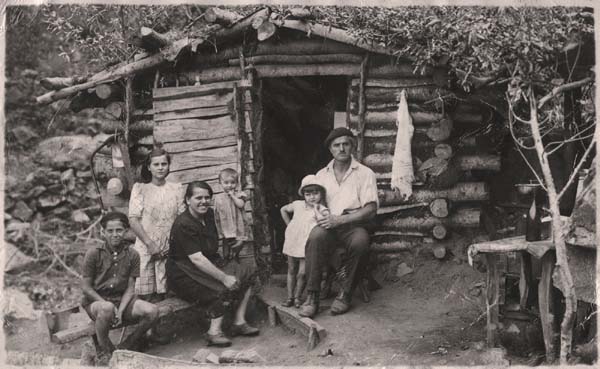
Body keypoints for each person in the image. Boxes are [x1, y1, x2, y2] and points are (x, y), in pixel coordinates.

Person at [167, 181, 259, 347]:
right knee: (221, 287)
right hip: (183, 272)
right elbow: (196, 259)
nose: (203, 201)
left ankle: (239, 321)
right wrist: (224, 278)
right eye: (198, 198)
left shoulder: (209, 214)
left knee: (248, 272)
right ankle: (213, 332)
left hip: (207, 262)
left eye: (207, 197)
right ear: (188, 200)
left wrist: (236, 243)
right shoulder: (183, 224)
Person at [299, 127, 379, 318]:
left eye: (346, 144)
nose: (341, 148)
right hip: (327, 224)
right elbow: (312, 204)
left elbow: (370, 209)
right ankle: (312, 296)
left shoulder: (365, 173)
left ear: (352, 146)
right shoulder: (321, 175)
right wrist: (322, 218)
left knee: (360, 242)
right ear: (331, 149)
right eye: (337, 145)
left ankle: (345, 293)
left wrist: (341, 220)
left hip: (352, 224)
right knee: (316, 237)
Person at [81, 212, 159, 365]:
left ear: (125, 231)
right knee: (106, 308)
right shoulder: (93, 254)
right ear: (103, 232)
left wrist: (121, 310)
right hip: (96, 303)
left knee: (152, 311)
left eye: (119, 230)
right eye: (110, 231)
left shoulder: (133, 254)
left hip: (122, 301)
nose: (115, 235)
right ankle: (106, 350)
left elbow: (130, 288)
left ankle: (128, 345)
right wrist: (106, 304)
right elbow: (86, 288)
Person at [129, 147, 184, 302]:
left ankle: (165, 325)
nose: (160, 168)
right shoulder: (140, 189)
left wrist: (172, 244)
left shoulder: (176, 188)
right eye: (156, 164)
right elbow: (133, 219)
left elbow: (181, 219)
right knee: (145, 295)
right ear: (149, 167)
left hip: (169, 247)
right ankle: (147, 325)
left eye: (164, 164)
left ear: (168, 166)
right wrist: (150, 244)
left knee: (166, 293)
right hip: (146, 246)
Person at [280, 175, 329, 308]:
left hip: (307, 243)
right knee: (291, 269)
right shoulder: (297, 204)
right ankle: (289, 297)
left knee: (302, 272)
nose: (312, 197)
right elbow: (283, 209)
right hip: (293, 240)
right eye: (308, 194)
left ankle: (297, 297)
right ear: (303, 195)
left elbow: (323, 221)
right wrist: (289, 225)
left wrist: (316, 208)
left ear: (321, 194)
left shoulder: (322, 209)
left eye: (315, 193)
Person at [213, 168, 248, 261]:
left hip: (237, 225)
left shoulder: (240, 194)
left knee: (238, 243)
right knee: (226, 244)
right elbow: (216, 212)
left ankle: (236, 257)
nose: (229, 185)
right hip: (226, 226)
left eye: (233, 182)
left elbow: (240, 204)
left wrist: (232, 196)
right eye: (226, 183)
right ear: (220, 183)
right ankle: (226, 258)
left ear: (237, 183)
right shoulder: (219, 197)